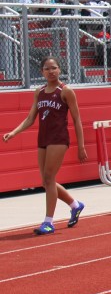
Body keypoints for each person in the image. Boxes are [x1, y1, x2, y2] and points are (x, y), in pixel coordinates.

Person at [3, 56, 87, 235]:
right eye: (47, 69)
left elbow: (77, 119)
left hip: (59, 139)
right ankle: (75, 205)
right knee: (46, 181)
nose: (51, 71)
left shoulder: (66, 91)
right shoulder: (39, 92)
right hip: (43, 139)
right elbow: (30, 118)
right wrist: (14, 132)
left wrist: (81, 146)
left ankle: (48, 222)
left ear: (60, 70)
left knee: (49, 177)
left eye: (54, 68)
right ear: (41, 71)